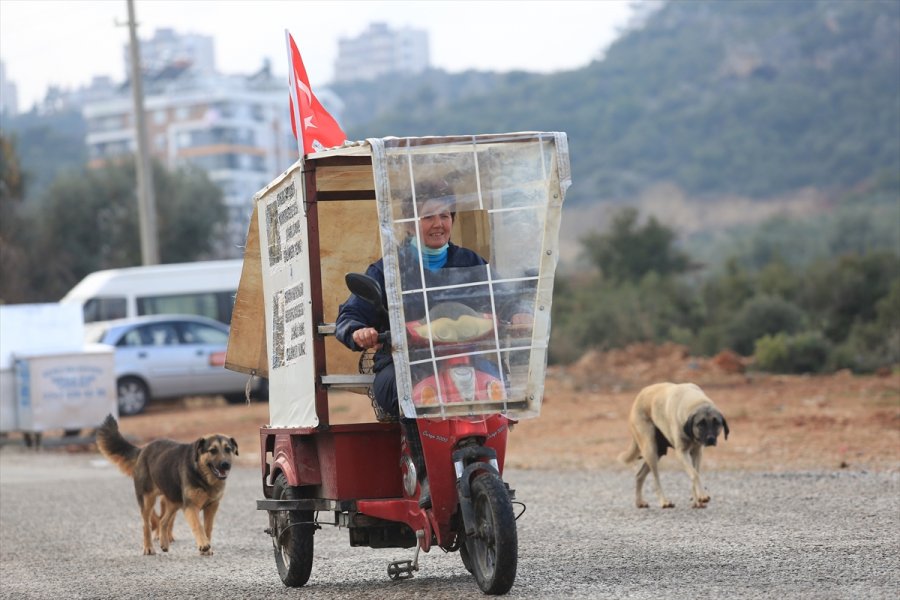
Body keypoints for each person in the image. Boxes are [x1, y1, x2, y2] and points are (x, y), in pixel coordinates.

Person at [336, 180, 530, 508]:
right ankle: (425, 475)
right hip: (405, 364)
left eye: (445, 215)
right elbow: (350, 314)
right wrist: (357, 331)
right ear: (410, 224)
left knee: (497, 383)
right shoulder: (389, 269)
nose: (438, 224)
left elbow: (505, 298)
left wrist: (519, 312)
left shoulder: (471, 263)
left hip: (466, 358)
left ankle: (490, 468)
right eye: (428, 217)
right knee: (408, 390)